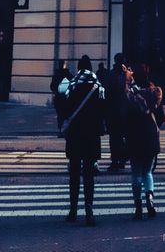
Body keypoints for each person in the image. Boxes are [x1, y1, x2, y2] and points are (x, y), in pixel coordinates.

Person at [59, 56, 104, 227]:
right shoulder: (97, 86)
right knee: (89, 176)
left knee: (74, 175)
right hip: (91, 137)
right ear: (91, 68)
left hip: (75, 136)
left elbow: (63, 110)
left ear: (78, 68)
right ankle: (89, 211)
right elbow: (102, 111)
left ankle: (72, 210)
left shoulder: (71, 85)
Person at [125, 79, 160, 220]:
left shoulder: (131, 100)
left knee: (136, 174)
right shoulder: (153, 98)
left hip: (134, 139)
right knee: (148, 172)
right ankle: (150, 198)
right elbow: (161, 118)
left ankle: (138, 206)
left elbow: (125, 120)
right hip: (150, 138)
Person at [104, 54, 128, 172]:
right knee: (121, 137)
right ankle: (120, 159)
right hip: (122, 111)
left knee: (115, 138)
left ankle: (116, 160)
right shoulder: (125, 75)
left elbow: (107, 94)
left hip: (114, 111)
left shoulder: (111, 75)